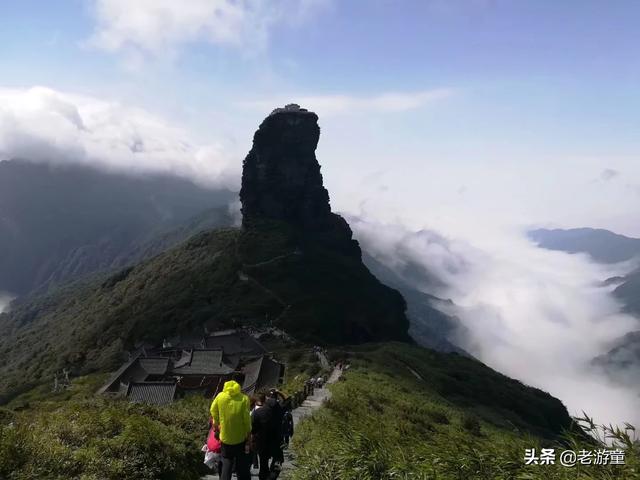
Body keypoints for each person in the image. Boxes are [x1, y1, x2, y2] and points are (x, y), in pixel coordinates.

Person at [210, 376, 252, 480]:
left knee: (226, 462)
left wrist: (216, 424)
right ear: (239, 387)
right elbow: (247, 420)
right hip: (240, 438)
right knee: (241, 465)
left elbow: (212, 410)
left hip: (225, 437)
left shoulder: (220, 396)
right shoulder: (244, 399)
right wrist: (248, 433)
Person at [252, 389, 285, 480]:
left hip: (262, 442)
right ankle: (272, 476)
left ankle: (263, 477)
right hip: (277, 441)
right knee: (278, 461)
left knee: (263, 464)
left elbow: (253, 429)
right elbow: (287, 400)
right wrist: (279, 392)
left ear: (266, 400)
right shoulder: (280, 411)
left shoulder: (258, 412)